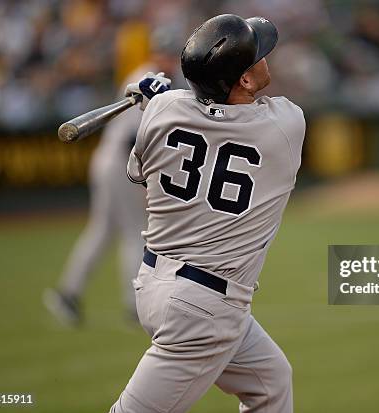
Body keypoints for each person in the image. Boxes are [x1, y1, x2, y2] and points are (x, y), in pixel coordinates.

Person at [110, 14, 304, 413]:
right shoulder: (286, 125)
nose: (266, 58)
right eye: (257, 57)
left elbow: (138, 171)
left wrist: (159, 101)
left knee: (270, 382)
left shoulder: (163, 111)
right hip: (204, 309)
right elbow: (222, 115)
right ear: (245, 81)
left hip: (156, 283)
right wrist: (169, 99)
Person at [44, 27, 183, 325]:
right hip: (121, 160)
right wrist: (143, 179)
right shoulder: (149, 79)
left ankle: (68, 293)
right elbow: (133, 137)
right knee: (136, 230)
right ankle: (134, 304)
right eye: (166, 53)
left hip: (111, 159)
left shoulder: (155, 77)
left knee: (104, 230)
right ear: (157, 52)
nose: (169, 59)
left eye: (173, 54)